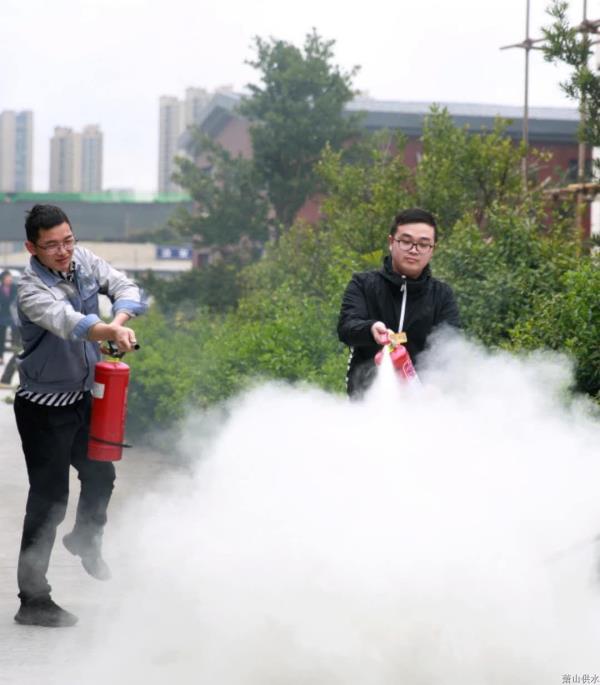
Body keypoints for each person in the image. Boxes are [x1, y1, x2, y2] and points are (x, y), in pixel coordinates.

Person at [13, 204, 146, 628]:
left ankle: (85, 536)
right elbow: (69, 322)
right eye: (51, 245)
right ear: (32, 248)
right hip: (43, 410)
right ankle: (33, 599)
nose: (63, 251)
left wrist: (119, 322)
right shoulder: (31, 289)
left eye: (67, 240)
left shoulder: (84, 260)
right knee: (49, 501)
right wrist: (109, 330)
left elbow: (125, 286)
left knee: (101, 473)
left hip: (83, 398)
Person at [338, 207, 460, 397]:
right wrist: (370, 329)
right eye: (406, 241)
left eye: (423, 244)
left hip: (421, 403)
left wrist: (437, 385)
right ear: (391, 242)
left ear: (432, 250)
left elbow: (450, 347)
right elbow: (346, 328)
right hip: (366, 402)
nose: (414, 250)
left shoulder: (442, 295)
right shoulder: (363, 284)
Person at [0, 270, 18, 363]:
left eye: (10, 277)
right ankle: (1, 357)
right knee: (1, 337)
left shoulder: (15, 288)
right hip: (2, 316)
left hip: (13, 316)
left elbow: (16, 300)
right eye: (8, 277)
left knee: (15, 337)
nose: (10, 279)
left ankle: (16, 355)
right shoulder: (1, 289)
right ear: (3, 279)